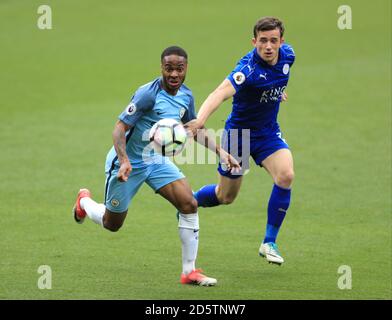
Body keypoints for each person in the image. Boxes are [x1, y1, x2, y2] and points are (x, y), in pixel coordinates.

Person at [72, 46, 239, 286]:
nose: (174, 74)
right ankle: (84, 202)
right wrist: (125, 160)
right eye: (169, 68)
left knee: (189, 203)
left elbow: (194, 127)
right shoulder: (147, 95)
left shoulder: (186, 96)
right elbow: (119, 129)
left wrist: (221, 152)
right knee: (112, 223)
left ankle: (189, 272)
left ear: (186, 69)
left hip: (156, 160)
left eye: (179, 69)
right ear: (161, 67)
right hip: (127, 165)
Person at [185, 17, 295, 265]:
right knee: (225, 197)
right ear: (254, 41)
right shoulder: (247, 70)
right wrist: (199, 121)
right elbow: (219, 93)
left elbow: (277, 78)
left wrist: (276, 92)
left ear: (281, 42)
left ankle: (269, 242)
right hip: (239, 137)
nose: (268, 46)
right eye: (263, 40)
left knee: (286, 175)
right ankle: (188, 200)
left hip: (268, 133)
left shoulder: (288, 56)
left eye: (273, 41)